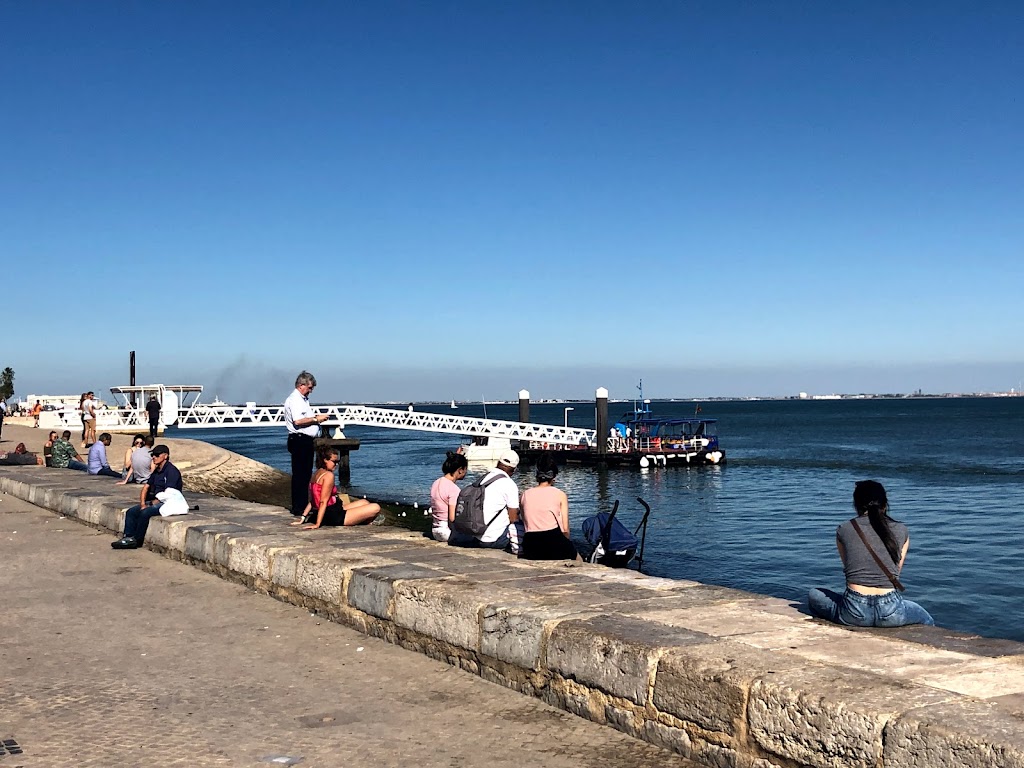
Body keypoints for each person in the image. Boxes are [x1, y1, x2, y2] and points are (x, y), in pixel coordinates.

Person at [808, 480, 934, 628]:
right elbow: (895, 572)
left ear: (856, 504)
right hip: (891, 610)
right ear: (885, 504)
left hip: (853, 610)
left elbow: (848, 567)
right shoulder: (902, 530)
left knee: (814, 594)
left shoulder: (844, 529)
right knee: (926, 619)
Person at [111, 444, 183, 549]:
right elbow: (146, 487)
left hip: (168, 502)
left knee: (145, 513)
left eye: (157, 455)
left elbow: (169, 493)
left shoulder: (171, 471)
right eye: (153, 455)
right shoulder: (156, 471)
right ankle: (128, 537)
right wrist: (143, 503)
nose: (154, 457)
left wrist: (153, 503)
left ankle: (137, 539)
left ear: (165, 456)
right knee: (131, 511)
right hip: (155, 500)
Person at [448, 450, 521, 551]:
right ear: (514, 469)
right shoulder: (509, 484)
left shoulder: (484, 479)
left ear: (498, 463)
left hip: (475, 535)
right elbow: (513, 518)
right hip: (495, 539)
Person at [293, 445, 380, 529]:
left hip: (331, 510)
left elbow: (313, 500)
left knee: (364, 502)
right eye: (334, 462)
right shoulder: (328, 476)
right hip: (333, 516)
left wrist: (303, 517)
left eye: (338, 462)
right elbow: (323, 501)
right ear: (325, 460)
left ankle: (364, 521)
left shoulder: (316, 474)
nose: (336, 465)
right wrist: (317, 524)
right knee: (376, 507)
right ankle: (364, 521)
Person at [283, 371, 328, 517]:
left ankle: (301, 506)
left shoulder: (302, 399)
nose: (311, 390)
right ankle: (299, 508)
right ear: (301, 385)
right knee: (301, 475)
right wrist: (316, 419)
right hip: (299, 439)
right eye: (310, 387)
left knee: (304, 474)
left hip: (303, 440)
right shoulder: (295, 400)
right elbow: (298, 421)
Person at [519, 452, 578, 561]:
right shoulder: (560, 495)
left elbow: (525, 522)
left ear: (537, 475)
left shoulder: (524, 495)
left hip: (531, 545)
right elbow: (566, 531)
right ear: (554, 476)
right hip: (553, 542)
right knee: (578, 558)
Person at [429, 452, 467, 542]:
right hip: (447, 532)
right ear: (460, 470)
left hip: (435, 530)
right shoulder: (454, 489)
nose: (466, 472)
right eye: (465, 469)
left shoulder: (436, 483)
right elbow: (452, 518)